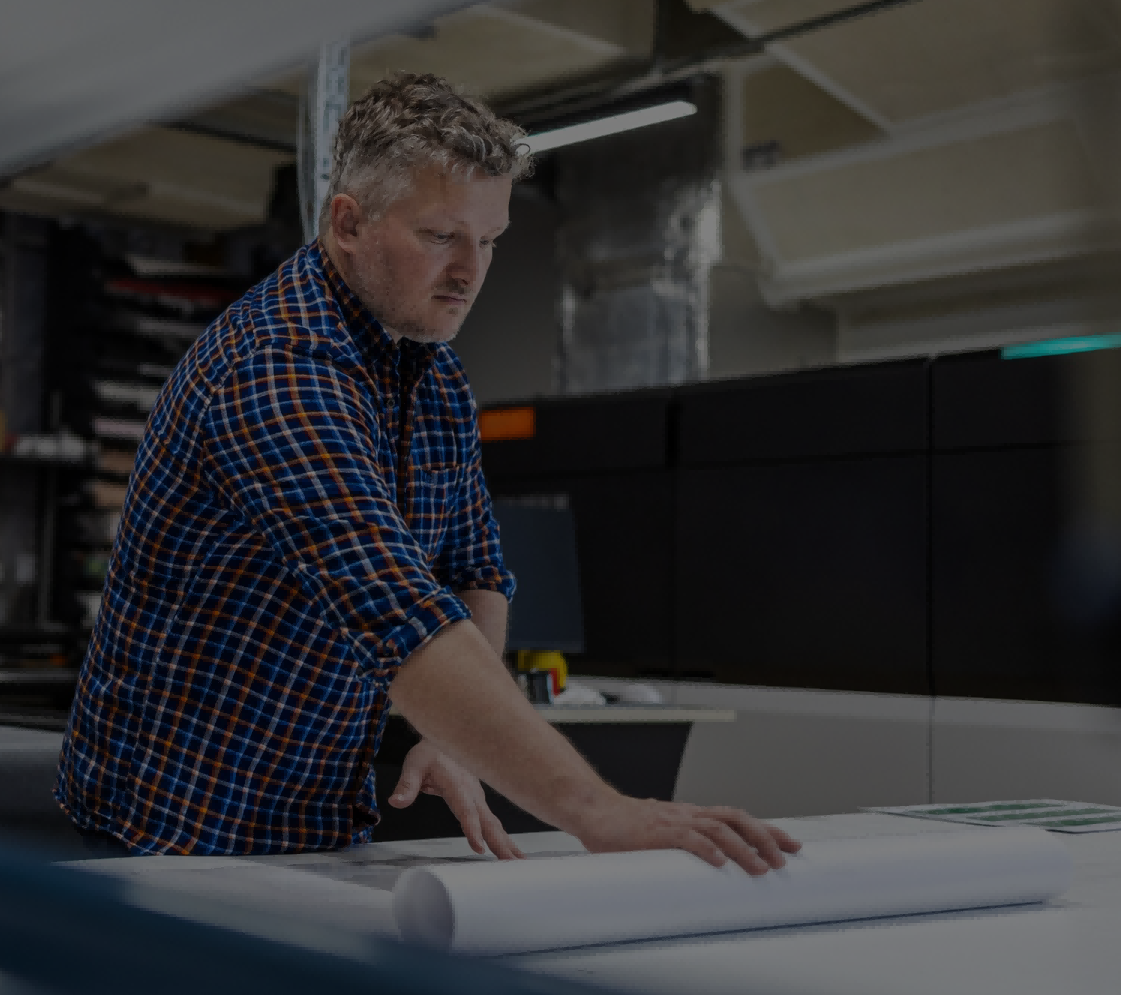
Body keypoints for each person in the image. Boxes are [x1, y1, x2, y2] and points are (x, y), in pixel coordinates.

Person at [57, 72, 799, 872]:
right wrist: (598, 811)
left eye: (490, 240)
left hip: (320, 822)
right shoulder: (277, 369)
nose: (470, 271)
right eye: (442, 235)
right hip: (172, 828)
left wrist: (452, 737)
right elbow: (395, 612)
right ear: (348, 223)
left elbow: (474, 570)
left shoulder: (432, 376)